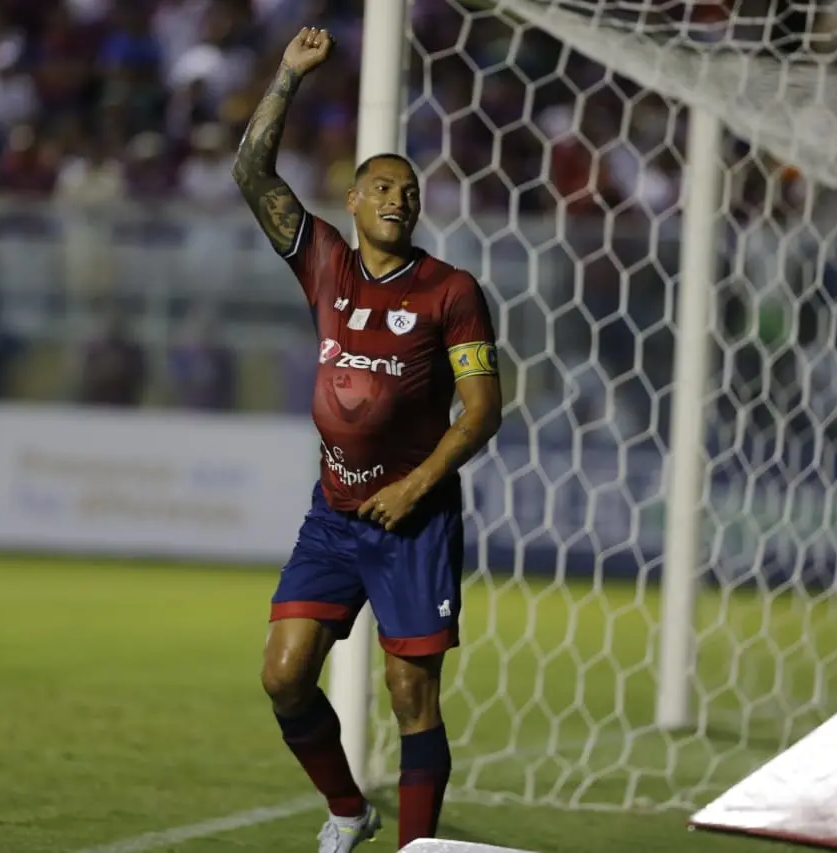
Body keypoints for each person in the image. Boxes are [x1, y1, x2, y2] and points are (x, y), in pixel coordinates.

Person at [231, 27, 503, 853]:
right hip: (335, 512)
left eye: (409, 191)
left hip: (414, 522)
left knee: (410, 695)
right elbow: (251, 174)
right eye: (382, 186)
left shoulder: (451, 291)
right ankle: (349, 810)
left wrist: (414, 487)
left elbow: (482, 410)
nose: (398, 198)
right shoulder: (324, 264)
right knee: (283, 673)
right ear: (352, 201)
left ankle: (415, 847)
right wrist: (289, 74)